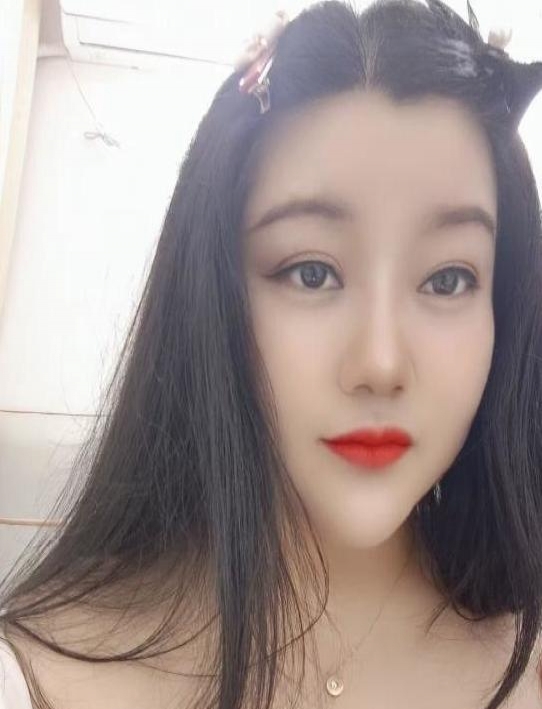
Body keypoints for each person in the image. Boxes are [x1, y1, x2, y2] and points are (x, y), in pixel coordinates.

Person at [1, 1, 542, 707]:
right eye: (312, 273)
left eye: (447, 279)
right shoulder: (35, 674)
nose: (380, 364)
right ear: (215, 293)